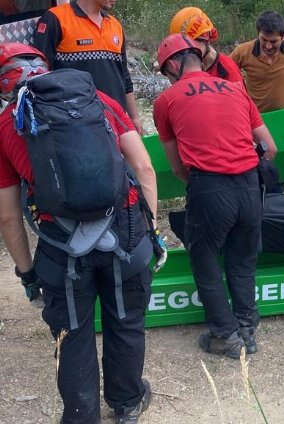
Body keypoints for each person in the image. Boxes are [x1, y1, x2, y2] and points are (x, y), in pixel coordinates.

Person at [0, 43, 157, 424]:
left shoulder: (5, 124)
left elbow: (8, 216)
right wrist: (150, 232)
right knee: (126, 320)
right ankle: (127, 403)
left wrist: (27, 273)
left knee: (71, 334)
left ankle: (81, 415)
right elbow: (144, 167)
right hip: (124, 229)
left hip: (61, 243)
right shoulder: (97, 99)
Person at [153, 34, 277, 358]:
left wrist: (203, 183)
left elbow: (177, 166)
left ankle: (225, 335)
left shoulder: (166, 101)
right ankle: (247, 328)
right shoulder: (236, 89)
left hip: (210, 186)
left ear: (174, 64)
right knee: (242, 259)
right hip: (250, 185)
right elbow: (270, 148)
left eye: (166, 71)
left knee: (204, 258)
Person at [33, 0, 144, 134]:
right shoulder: (55, 19)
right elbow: (39, 76)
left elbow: (124, 76)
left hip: (116, 121)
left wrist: (134, 117)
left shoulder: (115, 25)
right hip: (76, 124)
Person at [231, 10, 284, 112]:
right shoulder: (242, 52)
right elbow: (222, 72)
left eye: (273, 41)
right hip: (254, 116)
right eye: (264, 40)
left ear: (283, 36)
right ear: (258, 34)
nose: (268, 46)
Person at [168, 6, 243, 82]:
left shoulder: (227, 69)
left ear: (205, 37)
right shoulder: (184, 70)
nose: (189, 51)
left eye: (193, 44)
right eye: (184, 48)